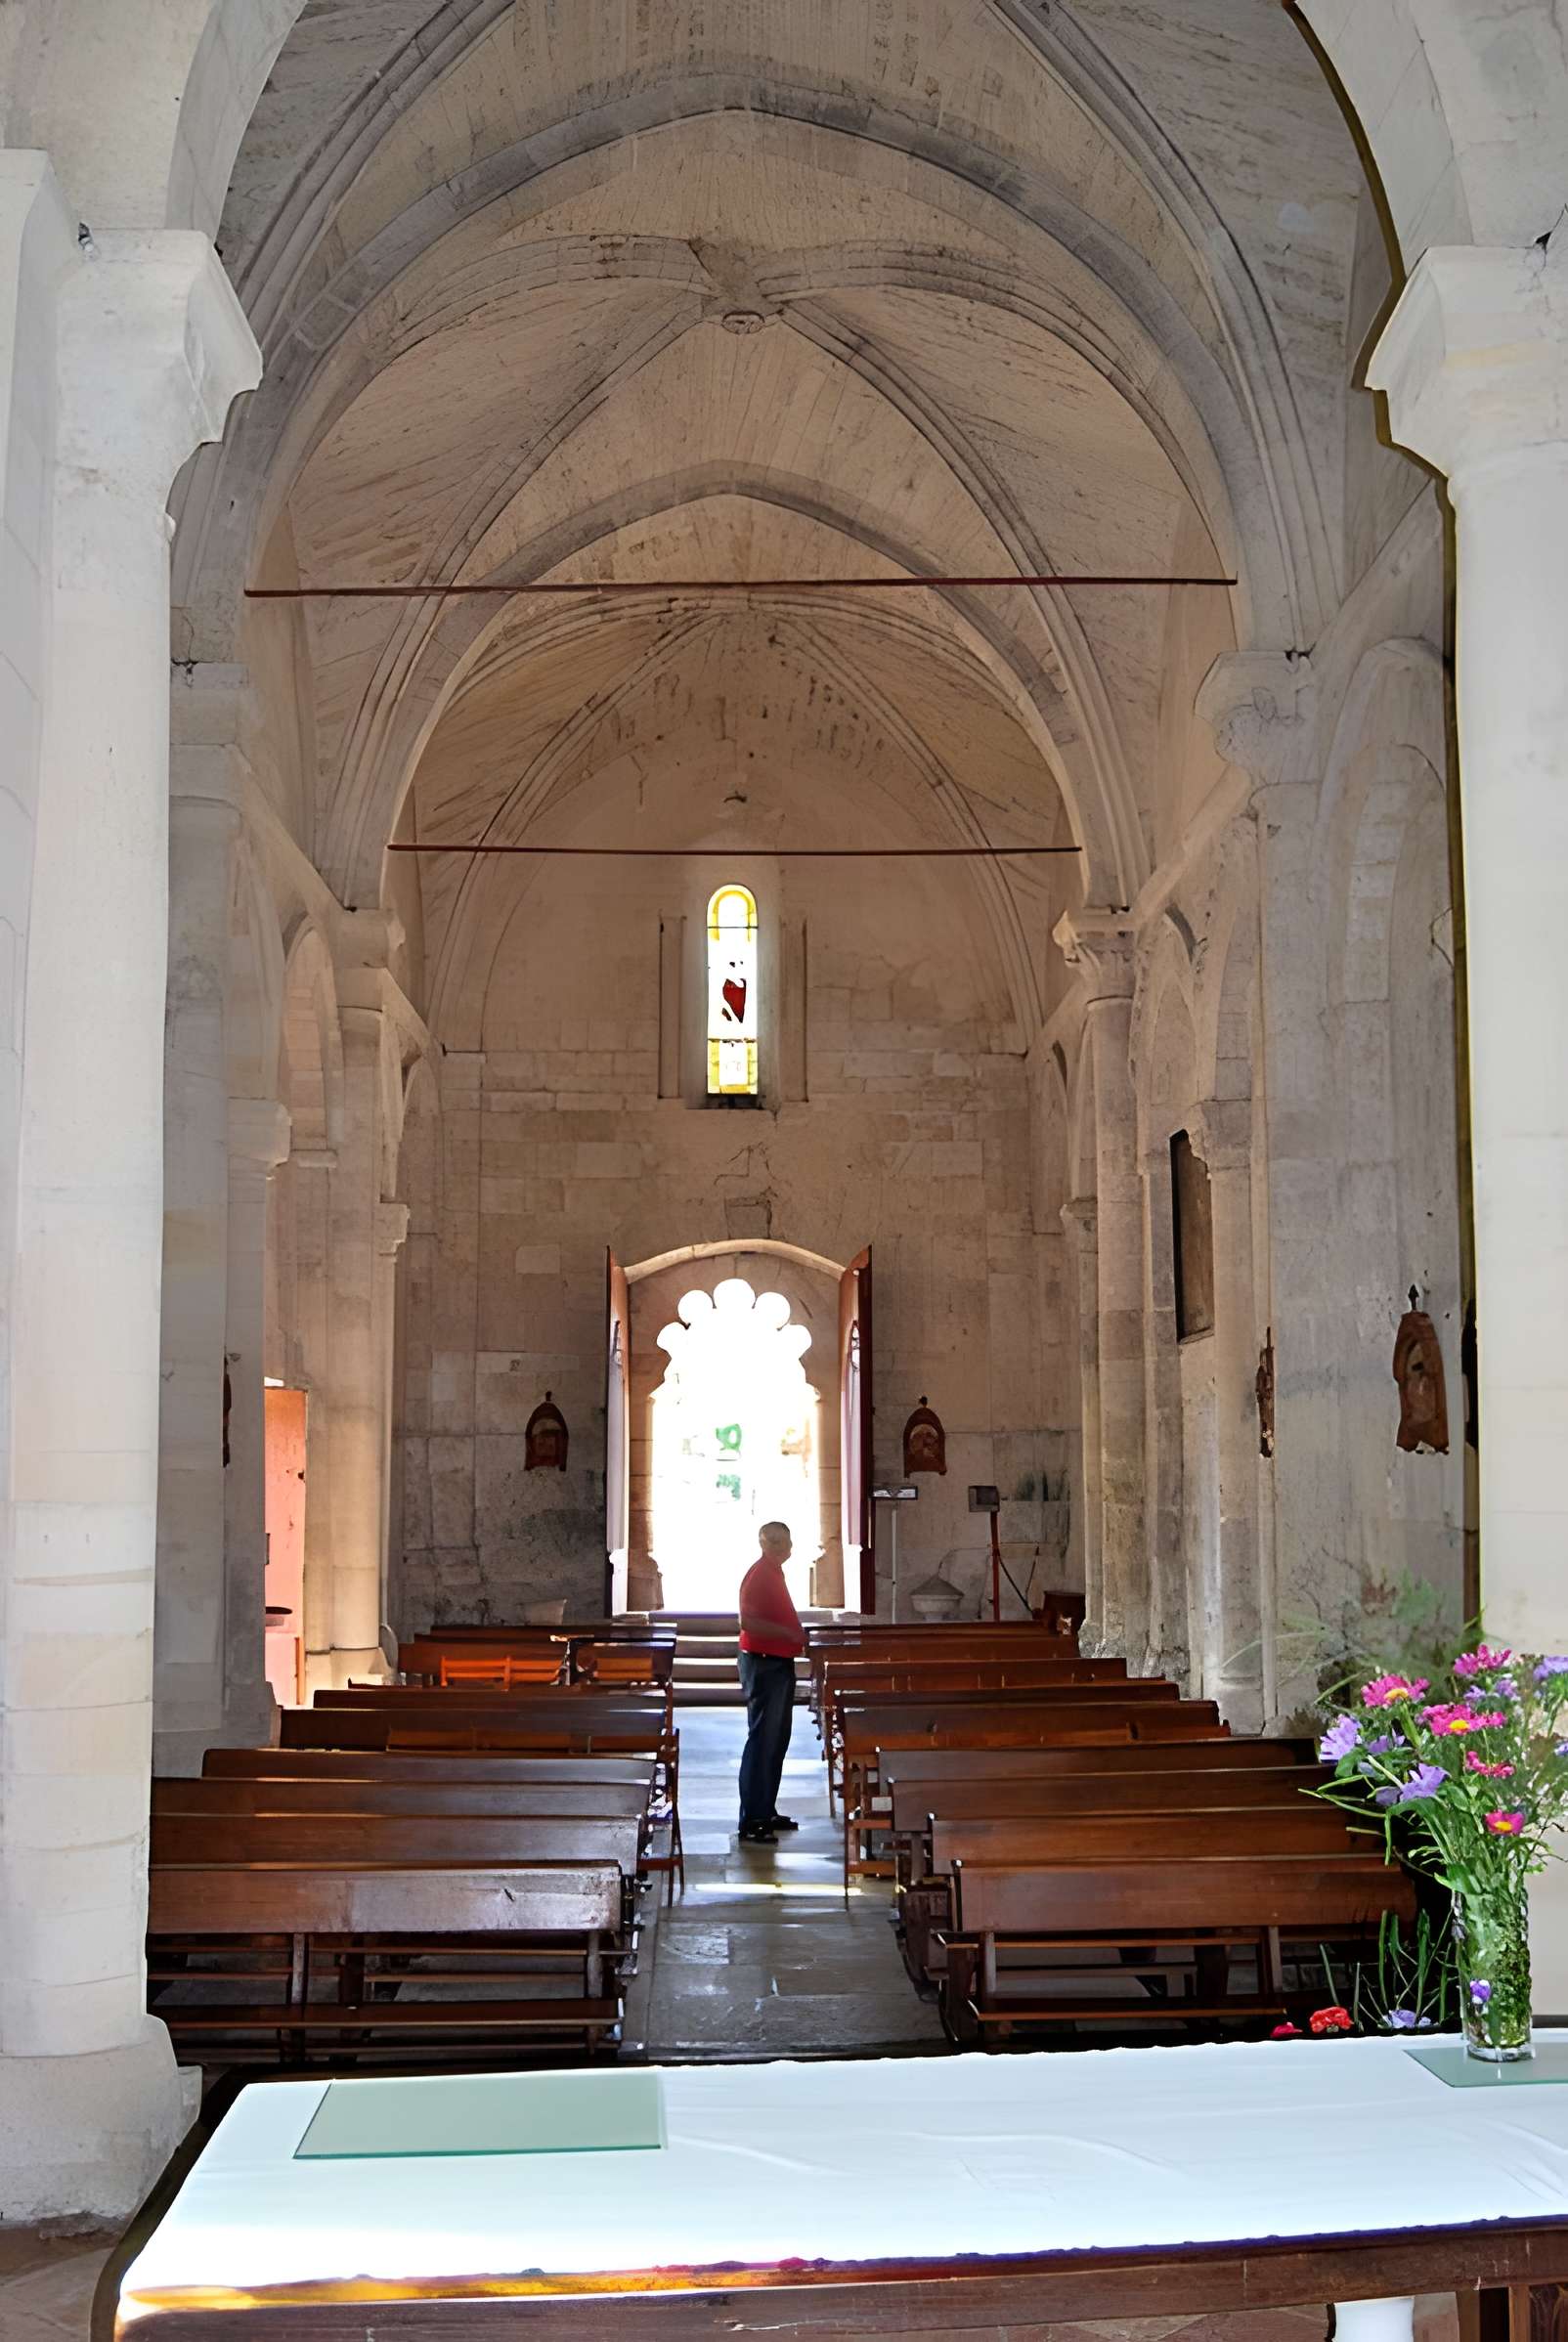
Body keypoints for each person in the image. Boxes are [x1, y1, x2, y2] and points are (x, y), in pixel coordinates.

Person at [736, 1521, 804, 1844]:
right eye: (775, 1542)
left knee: (777, 1739)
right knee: (763, 1739)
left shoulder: (773, 1571)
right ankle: (753, 1819)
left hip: (776, 1661)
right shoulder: (760, 1574)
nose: (783, 1548)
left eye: (785, 1541)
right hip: (765, 1663)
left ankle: (766, 1807)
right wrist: (789, 1634)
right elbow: (747, 1620)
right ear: (764, 1543)